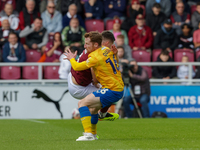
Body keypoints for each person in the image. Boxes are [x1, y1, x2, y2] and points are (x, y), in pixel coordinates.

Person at [65, 31, 124, 141]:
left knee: (82, 103)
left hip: (112, 89)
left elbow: (77, 67)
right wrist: (115, 54)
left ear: (96, 44)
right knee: (92, 109)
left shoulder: (95, 57)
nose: (85, 46)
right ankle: (93, 134)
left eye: (87, 44)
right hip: (117, 87)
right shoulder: (106, 50)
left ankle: (88, 135)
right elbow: (115, 62)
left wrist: (71, 58)